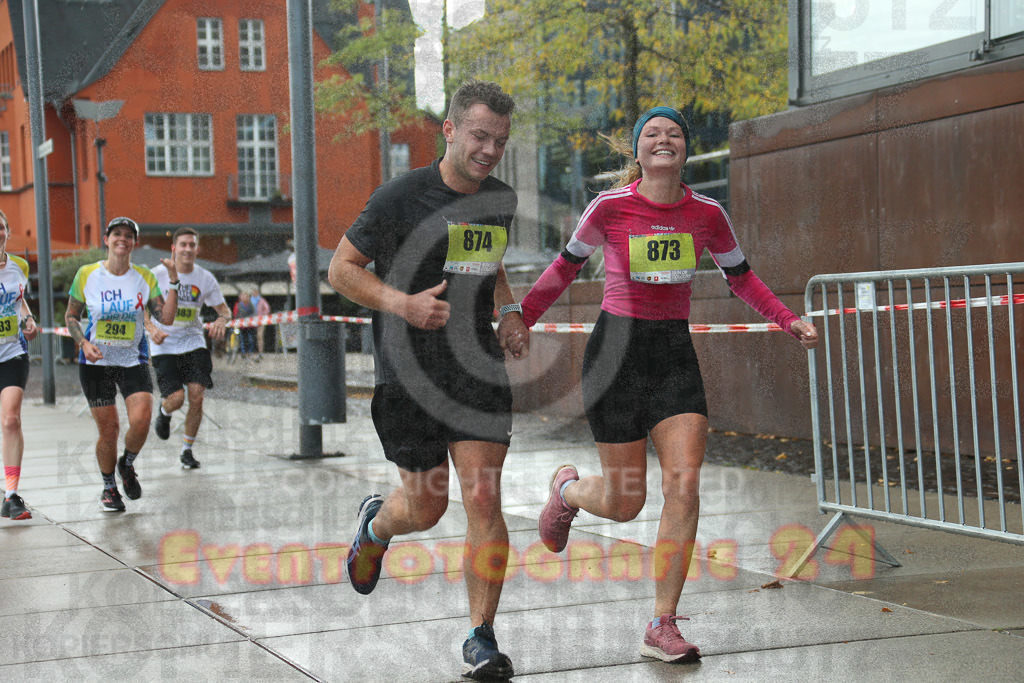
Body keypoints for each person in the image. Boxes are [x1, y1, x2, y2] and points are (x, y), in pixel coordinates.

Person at [502, 107, 819, 663]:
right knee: (626, 504)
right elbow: (564, 268)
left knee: (684, 487)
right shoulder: (610, 207)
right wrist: (521, 318)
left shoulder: (707, 214)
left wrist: (786, 319)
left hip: (673, 356)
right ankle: (569, 492)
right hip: (615, 357)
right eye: (652, 133)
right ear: (639, 151)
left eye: (674, 133)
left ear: (686, 150)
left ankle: (661, 623)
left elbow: (740, 277)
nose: (664, 139)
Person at [328, 80, 525, 681]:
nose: (489, 150)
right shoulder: (398, 198)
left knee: (485, 499)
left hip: (477, 368)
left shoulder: (501, 198)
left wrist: (510, 309)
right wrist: (403, 303)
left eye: (499, 141)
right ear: (450, 129)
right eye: (479, 136)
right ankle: (376, 526)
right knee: (427, 506)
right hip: (408, 368)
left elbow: (483, 264)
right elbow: (340, 270)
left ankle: (481, 638)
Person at [65, 216, 178, 512]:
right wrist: (83, 343)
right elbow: (71, 316)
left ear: (134, 243)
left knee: (141, 419)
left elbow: (164, 317)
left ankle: (126, 464)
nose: (122, 239)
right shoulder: (86, 274)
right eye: (117, 234)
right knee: (110, 429)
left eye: (129, 235)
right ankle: (108, 489)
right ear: (107, 239)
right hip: (95, 363)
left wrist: (175, 282)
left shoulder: (144, 277)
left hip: (132, 359)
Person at [148, 227, 231, 469]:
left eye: (192, 245)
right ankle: (164, 412)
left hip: (192, 341)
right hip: (163, 344)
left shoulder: (205, 278)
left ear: (197, 249)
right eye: (183, 244)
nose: (188, 249)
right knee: (176, 399)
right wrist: (152, 330)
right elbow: (140, 308)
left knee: (197, 395)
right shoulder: (156, 275)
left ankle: (187, 450)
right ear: (174, 248)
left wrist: (220, 321)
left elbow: (224, 310)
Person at [0, 210, 39, 521]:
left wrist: (29, 319)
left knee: (11, 420)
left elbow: (20, 301)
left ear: (7, 232)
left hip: (12, 352)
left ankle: (11, 496)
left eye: (0, 227)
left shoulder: (19, 266)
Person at [232, 292, 257, 357]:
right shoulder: (237, 305)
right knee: (242, 340)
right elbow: (235, 315)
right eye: (242, 296)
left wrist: (249, 320)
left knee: (250, 339)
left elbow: (254, 313)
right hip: (241, 326)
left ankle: (250, 352)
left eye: (245, 296)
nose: (243, 297)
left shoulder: (251, 305)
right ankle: (243, 352)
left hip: (249, 326)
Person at [249, 288, 271, 360]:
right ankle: (252, 351)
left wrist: (261, 315)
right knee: (251, 336)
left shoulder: (261, 300)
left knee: (259, 336)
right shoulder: (250, 301)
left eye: (255, 292)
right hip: (251, 321)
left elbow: (267, 309)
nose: (254, 294)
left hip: (260, 321)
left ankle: (260, 352)